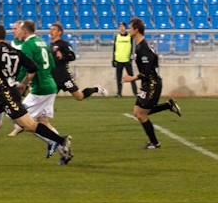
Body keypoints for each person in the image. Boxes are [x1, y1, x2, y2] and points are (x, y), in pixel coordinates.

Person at [0, 24, 73, 164]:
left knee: (29, 126)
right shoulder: (15, 50)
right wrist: (24, 82)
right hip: (4, 93)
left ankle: (61, 140)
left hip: (7, 94)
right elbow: (33, 67)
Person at [121, 18, 182, 148]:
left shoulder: (144, 48)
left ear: (136, 30)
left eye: (130, 27)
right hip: (147, 83)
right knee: (137, 112)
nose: (128, 30)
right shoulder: (139, 46)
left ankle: (155, 143)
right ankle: (168, 105)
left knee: (141, 115)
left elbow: (148, 71)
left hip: (152, 84)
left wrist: (132, 78)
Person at [16, 20, 66, 161]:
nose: (17, 33)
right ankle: (65, 152)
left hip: (41, 89)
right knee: (42, 122)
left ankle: (53, 141)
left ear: (25, 31)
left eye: (19, 30)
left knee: (19, 119)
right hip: (50, 85)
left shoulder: (27, 45)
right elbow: (50, 65)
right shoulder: (42, 42)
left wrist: (19, 83)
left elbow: (25, 67)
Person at [50, 23, 108, 100]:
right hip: (53, 77)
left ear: (59, 32)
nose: (51, 31)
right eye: (50, 29)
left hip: (64, 77)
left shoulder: (64, 44)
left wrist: (63, 57)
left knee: (79, 96)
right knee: (48, 98)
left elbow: (72, 56)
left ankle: (96, 89)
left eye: (53, 29)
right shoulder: (50, 45)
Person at [0, 21, 25, 135]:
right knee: (0, 98)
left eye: (15, 29)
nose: (13, 31)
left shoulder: (26, 45)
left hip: (20, 81)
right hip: (10, 80)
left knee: (15, 108)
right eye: (12, 28)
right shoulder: (13, 43)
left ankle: (23, 124)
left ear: (22, 30)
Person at [113, 21, 137, 98]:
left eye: (122, 26)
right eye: (120, 26)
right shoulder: (117, 36)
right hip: (119, 59)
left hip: (127, 60)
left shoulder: (130, 36)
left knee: (131, 77)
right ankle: (119, 93)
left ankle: (135, 92)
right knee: (118, 78)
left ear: (125, 27)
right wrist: (113, 59)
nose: (121, 27)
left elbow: (133, 47)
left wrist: (131, 58)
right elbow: (114, 48)